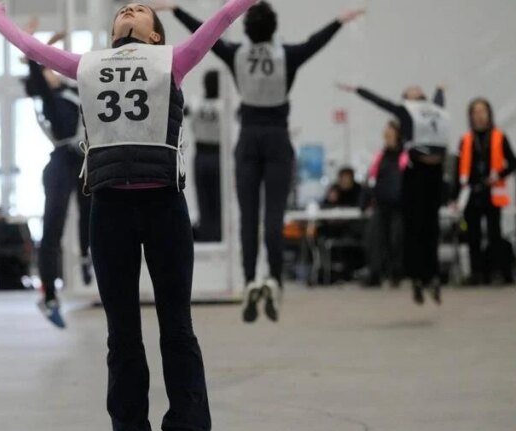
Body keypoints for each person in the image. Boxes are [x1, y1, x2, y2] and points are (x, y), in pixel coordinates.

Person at [0, 0, 256, 431]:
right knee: (121, 334)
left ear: (155, 34)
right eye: (123, 9)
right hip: (108, 208)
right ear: (112, 31)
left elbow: (220, 22)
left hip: (164, 204)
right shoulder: (88, 65)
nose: (129, 10)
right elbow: (32, 49)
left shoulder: (173, 59)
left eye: (140, 10)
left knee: (177, 327)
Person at [154, 1, 365, 322]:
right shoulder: (286, 56)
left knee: (248, 216)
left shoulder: (236, 54)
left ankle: (250, 278)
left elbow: (207, 35)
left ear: (248, 30)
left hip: (249, 139)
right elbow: (314, 42)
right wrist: (338, 21)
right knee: (274, 215)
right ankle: (275, 280)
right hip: (278, 138)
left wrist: (177, 11)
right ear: (273, 29)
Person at [338, 83, 449, 304]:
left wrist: (439, 91)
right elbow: (381, 102)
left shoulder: (433, 112)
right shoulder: (405, 113)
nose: (415, 90)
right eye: (410, 92)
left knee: (431, 229)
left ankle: (431, 275)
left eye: (418, 90)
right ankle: (417, 278)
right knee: (414, 231)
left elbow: (438, 103)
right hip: (415, 171)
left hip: (434, 172)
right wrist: (359, 90)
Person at [19, 20, 91, 329]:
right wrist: (37, 41)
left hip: (84, 160)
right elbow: (34, 64)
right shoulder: (47, 99)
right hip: (61, 163)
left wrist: (52, 44)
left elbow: (71, 68)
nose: (52, 72)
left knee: (90, 214)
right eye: (47, 71)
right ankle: (48, 294)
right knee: (53, 229)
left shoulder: (73, 92)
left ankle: (87, 259)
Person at [456, 98, 516, 285]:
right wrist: (454, 196)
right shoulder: (466, 140)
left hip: (492, 192)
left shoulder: (499, 136)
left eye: (482, 111)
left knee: (494, 233)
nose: (479, 116)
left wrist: (498, 175)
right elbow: (459, 169)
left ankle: (497, 271)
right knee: (472, 234)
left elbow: (513, 162)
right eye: (475, 112)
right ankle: (476, 272)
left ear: (489, 114)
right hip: (471, 192)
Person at [364, 121, 407, 287]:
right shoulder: (380, 157)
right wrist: (365, 200)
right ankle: (375, 273)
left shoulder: (405, 157)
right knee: (374, 239)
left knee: (396, 240)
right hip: (381, 205)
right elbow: (370, 179)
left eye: (391, 134)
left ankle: (396, 273)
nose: (387, 137)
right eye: (386, 134)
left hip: (400, 206)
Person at [189, 70, 222, 242]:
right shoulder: (223, 106)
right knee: (217, 198)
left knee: (205, 198)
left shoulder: (196, 104)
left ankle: (208, 232)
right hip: (217, 155)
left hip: (202, 155)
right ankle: (215, 233)